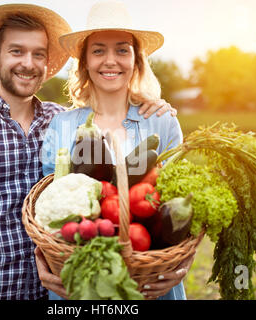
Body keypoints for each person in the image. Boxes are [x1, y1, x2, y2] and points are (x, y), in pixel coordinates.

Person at [0, 4, 177, 300]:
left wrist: (154, 106)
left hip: (59, 287)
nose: (28, 63)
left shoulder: (57, 118)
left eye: (38, 54)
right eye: (16, 51)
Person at [38, 1, 194, 300]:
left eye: (122, 50)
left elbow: (181, 215)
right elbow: (46, 207)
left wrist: (180, 268)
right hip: (79, 281)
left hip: (151, 282)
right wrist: (43, 261)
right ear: (84, 62)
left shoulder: (162, 123)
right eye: (98, 50)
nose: (111, 61)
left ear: (136, 60)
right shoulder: (61, 125)